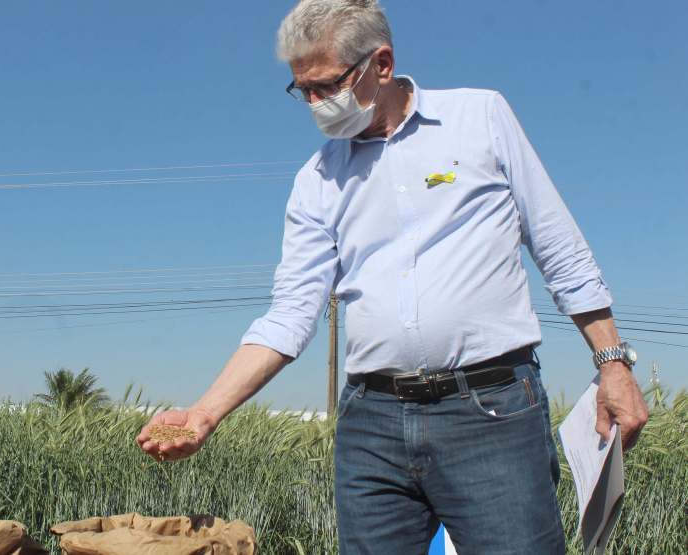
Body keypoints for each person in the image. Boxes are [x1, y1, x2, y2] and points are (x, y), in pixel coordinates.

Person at [137, 0, 649, 552]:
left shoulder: (480, 117)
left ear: (381, 64)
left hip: (491, 411)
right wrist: (206, 411)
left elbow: (559, 248)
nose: (316, 104)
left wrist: (612, 364)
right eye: (303, 90)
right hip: (371, 425)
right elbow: (289, 315)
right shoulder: (317, 180)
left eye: (328, 85)